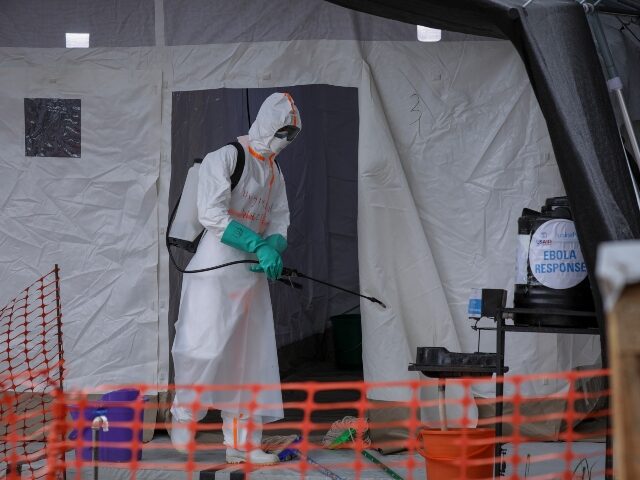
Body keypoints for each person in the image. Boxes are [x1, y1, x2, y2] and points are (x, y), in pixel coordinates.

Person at [170, 92, 301, 465]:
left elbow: (280, 217)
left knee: (250, 358)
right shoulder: (226, 157)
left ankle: (242, 443)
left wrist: (272, 247)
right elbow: (210, 212)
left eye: (292, 134)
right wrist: (258, 243)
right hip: (216, 266)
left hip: (251, 275)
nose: (285, 140)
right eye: (282, 131)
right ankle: (184, 414)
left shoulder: (274, 170)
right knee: (203, 345)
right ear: (264, 124)